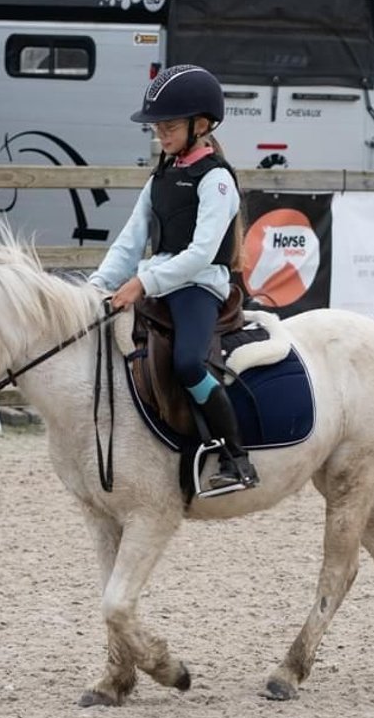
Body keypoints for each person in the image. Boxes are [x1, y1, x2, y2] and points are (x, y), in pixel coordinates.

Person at [88, 64, 258, 493]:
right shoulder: (161, 176)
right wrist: (97, 285)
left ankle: (235, 456)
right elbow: (130, 241)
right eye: (157, 128)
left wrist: (143, 284)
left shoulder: (216, 180)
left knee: (186, 362)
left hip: (199, 284)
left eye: (168, 126)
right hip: (159, 278)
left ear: (200, 125)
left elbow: (200, 254)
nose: (160, 135)